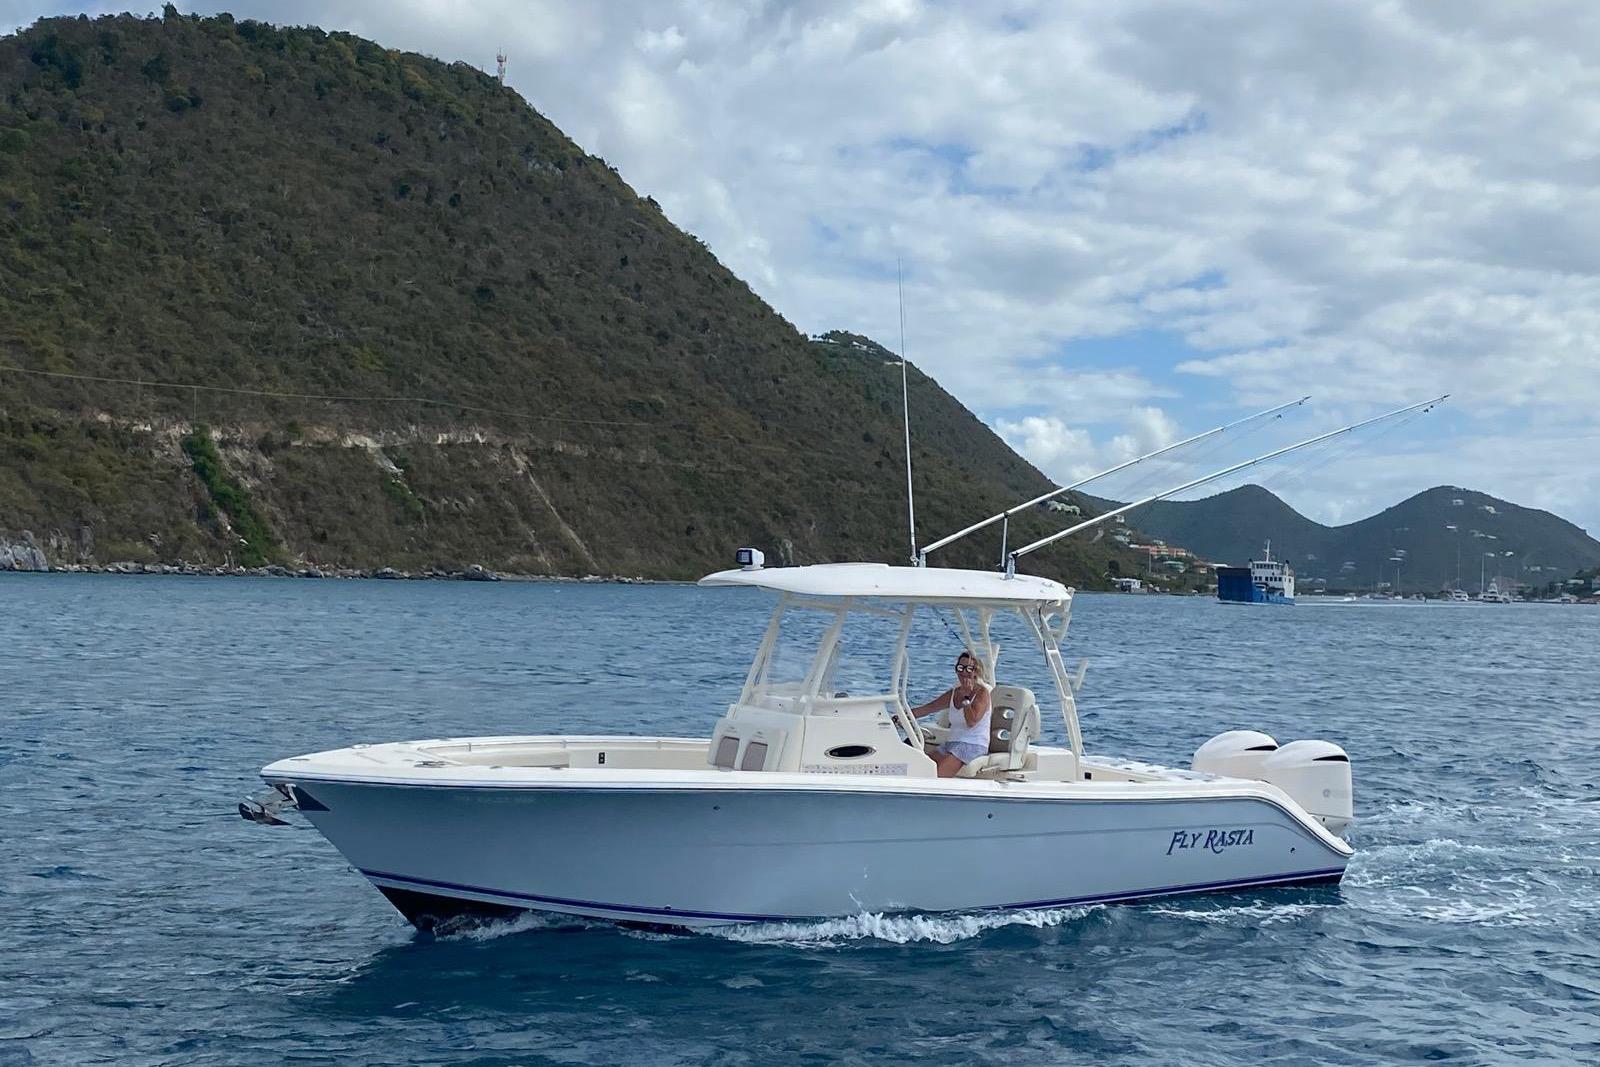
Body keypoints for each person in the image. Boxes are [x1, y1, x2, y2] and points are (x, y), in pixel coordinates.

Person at [908, 650, 992, 778]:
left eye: (969, 669)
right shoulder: (954, 693)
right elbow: (929, 708)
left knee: (936, 775)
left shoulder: (982, 693)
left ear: (976, 671)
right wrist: (902, 717)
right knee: (919, 767)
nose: (964, 672)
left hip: (972, 745)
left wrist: (966, 697)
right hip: (952, 744)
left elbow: (972, 722)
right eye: (960, 667)